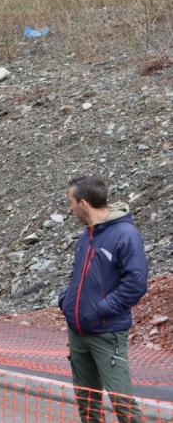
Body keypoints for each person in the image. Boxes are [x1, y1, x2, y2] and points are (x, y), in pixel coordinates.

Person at [59, 176, 147, 423]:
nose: (69, 208)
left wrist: (102, 309)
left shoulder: (125, 234)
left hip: (107, 333)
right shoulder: (85, 236)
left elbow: (136, 283)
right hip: (78, 332)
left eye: (71, 202)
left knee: (122, 404)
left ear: (83, 203)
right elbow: (79, 277)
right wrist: (66, 301)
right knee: (87, 405)